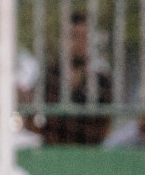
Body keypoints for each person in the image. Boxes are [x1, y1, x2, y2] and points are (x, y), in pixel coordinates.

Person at [40, 11, 113, 145]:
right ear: (63, 39)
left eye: (85, 37)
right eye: (74, 36)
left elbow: (106, 126)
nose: (80, 43)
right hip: (54, 157)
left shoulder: (102, 82)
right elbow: (34, 121)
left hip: (90, 157)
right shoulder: (48, 77)